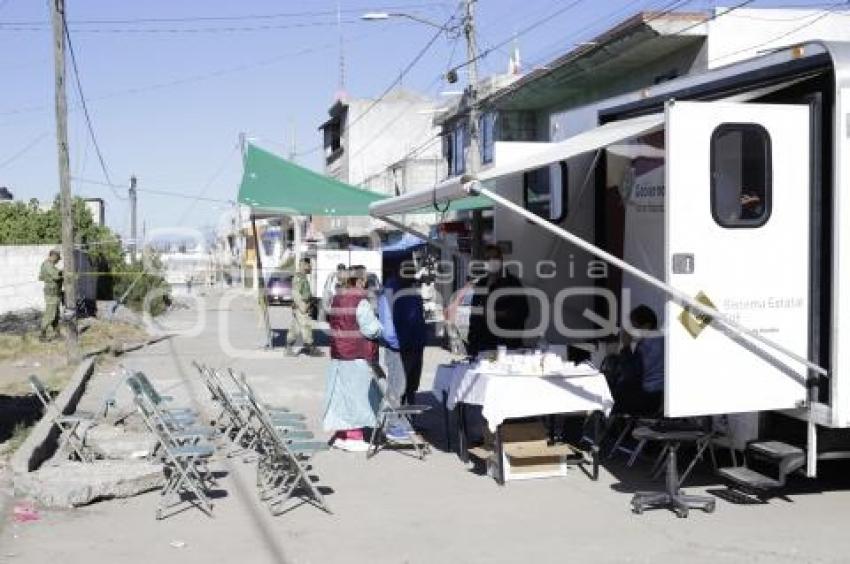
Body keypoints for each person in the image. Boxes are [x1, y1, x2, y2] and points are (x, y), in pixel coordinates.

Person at [323, 266, 383, 452]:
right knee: (357, 397)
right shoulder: (360, 301)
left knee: (342, 396)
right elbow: (370, 329)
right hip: (357, 354)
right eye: (364, 279)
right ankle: (354, 437)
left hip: (340, 353)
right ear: (359, 281)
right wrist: (381, 326)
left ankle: (341, 435)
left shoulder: (337, 298)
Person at [467, 244, 529, 357]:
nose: (491, 262)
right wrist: (471, 344)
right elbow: (475, 316)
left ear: (501, 260)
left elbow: (521, 312)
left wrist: (495, 314)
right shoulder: (481, 284)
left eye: (494, 258)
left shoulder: (512, 283)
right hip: (481, 346)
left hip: (507, 347)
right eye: (487, 259)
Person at [610, 305, 664, 416]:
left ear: (646, 326)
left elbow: (632, 374)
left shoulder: (650, 346)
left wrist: (626, 347)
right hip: (652, 395)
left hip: (647, 398)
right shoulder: (657, 340)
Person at [286, 258, 321, 357]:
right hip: (302, 306)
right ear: (304, 265)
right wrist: (303, 306)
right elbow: (295, 293)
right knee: (306, 326)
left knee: (295, 328)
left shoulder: (303, 277)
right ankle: (310, 348)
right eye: (309, 265)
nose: (311, 268)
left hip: (303, 306)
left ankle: (288, 348)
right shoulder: (298, 278)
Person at [38, 249, 63, 342]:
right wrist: (63, 275)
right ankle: (42, 335)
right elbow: (56, 276)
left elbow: (42, 276)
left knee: (56, 314)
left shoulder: (50, 265)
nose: (58, 261)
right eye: (57, 259)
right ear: (54, 256)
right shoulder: (47, 264)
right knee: (50, 314)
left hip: (55, 293)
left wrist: (61, 272)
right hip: (51, 294)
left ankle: (57, 333)